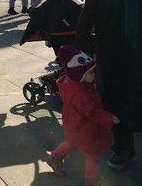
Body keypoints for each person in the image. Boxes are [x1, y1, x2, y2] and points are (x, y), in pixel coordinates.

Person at [75, 0, 142, 171]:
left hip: (137, 57)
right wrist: (76, 52)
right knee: (115, 102)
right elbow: (86, 20)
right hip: (111, 57)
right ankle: (122, 149)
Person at [45, 46, 117, 186]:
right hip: (85, 127)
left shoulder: (71, 83)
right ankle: (92, 179)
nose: (94, 75)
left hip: (73, 124)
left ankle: (54, 157)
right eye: (90, 73)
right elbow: (92, 113)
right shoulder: (81, 93)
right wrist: (109, 117)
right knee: (92, 152)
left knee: (72, 143)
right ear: (80, 76)